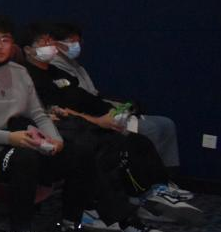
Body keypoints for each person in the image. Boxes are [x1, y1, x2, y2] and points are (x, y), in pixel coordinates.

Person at [0, 15, 167, 232]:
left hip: (23, 140)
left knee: (80, 151)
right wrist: (9, 138)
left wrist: (55, 139)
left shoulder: (20, 73)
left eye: (4, 39)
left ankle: (70, 228)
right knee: (25, 159)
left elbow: (38, 114)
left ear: (12, 44)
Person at [19, 23, 200, 225]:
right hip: (67, 128)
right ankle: (107, 208)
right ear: (28, 50)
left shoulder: (58, 72)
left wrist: (111, 110)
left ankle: (155, 190)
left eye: (51, 41)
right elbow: (54, 111)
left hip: (86, 120)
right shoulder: (28, 76)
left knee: (138, 141)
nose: (51, 46)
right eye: (44, 43)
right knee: (106, 147)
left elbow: (85, 97)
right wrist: (98, 121)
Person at [51, 21, 191, 204]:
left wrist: (119, 106)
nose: (76, 46)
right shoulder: (56, 69)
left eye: (78, 41)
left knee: (166, 123)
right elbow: (74, 103)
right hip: (87, 117)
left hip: (100, 107)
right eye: (71, 41)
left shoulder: (77, 66)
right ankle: (146, 187)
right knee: (150, 130)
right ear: (57, 43)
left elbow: (94, 95)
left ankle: (165, 179)